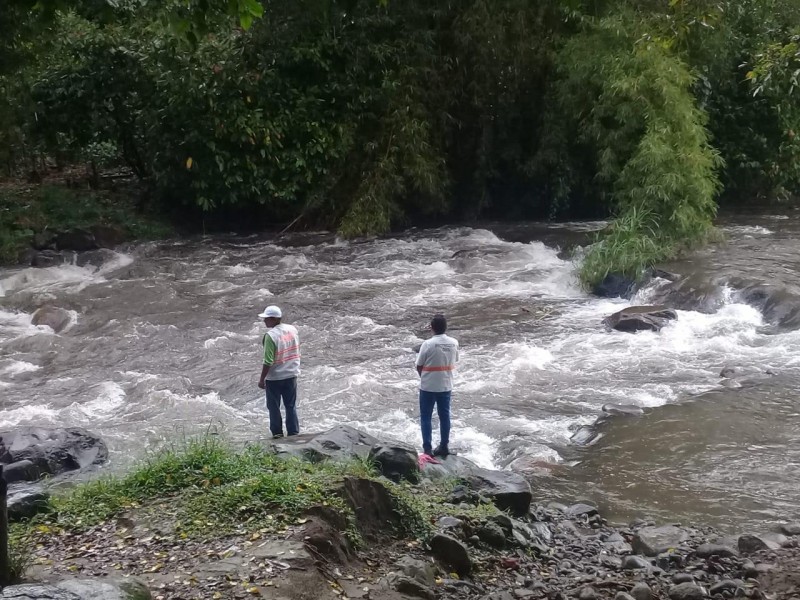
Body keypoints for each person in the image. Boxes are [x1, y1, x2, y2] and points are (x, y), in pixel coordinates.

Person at [416, 314, 459, 457]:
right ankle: (444, 446)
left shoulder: (427, 344)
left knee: (426, 417)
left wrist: (425, 377)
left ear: (432, 328)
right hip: (446, 385)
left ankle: (427, 450)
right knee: (444, 416)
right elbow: (455, 360)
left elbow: (419, 365)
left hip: (428, 386)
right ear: (445, 327)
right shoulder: (454, 342)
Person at [257, 305, 301, 438]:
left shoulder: (270, 336)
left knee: (274, 407)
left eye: (266, 318)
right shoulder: (292, 329)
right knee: (290, 405)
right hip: (291, 373)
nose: (264, 321)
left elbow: (268, 360)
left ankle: (277, 434)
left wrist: (261, 379)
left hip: (275, 378)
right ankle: (293, 433)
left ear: (274, 319)